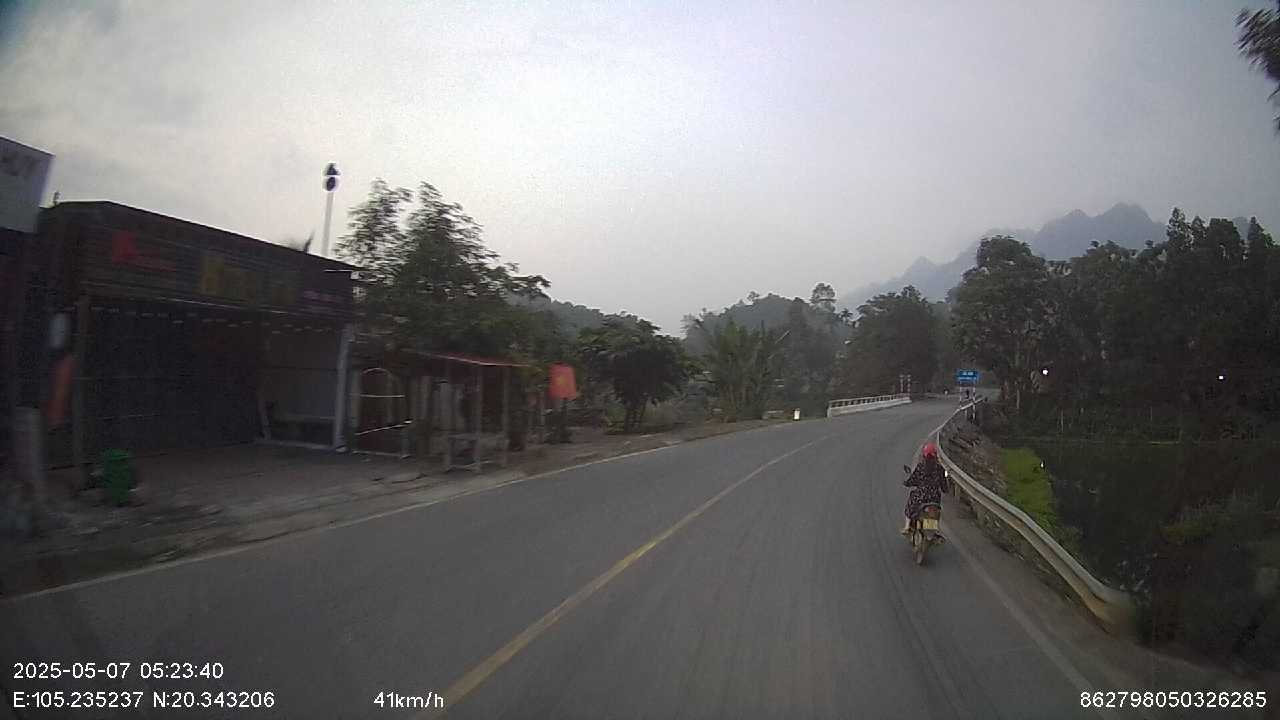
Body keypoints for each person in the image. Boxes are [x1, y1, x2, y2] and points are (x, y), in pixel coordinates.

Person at [901, 442, 949, 536]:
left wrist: (907, 483)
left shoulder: (921, 466)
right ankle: (935, 529)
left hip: (921, 496)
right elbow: (944, 487)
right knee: (936, 512)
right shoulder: (940, 469)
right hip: (934, 498)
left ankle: (907, 527)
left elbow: (913, 479)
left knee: (910, 506)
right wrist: (945, 489)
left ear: (924, 455)